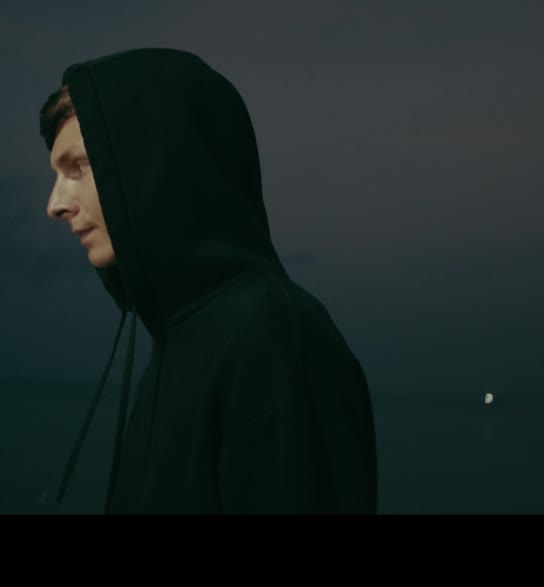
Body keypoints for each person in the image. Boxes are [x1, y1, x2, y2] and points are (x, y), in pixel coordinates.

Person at [41, 47, 377, 514]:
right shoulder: (181, 337)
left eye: (77, 167)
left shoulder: (275, 334)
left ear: (158, 162)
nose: (55, 204)